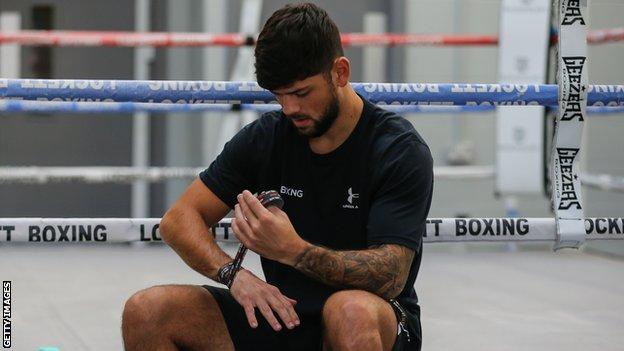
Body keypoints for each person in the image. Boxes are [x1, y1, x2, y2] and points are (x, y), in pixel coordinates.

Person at [122, 3, 433, 350]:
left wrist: (294, 251)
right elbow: (178, 220)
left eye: (301, 93)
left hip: (375, 317)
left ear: (340, 73)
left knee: (349, 310)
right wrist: (234, 275)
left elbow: (392, 275)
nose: (290, 109)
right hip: (284, 315)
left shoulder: (396, 148)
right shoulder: (267, 137)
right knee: (147, 311)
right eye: (279, 95)